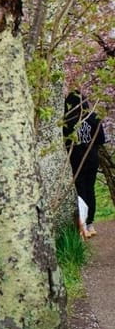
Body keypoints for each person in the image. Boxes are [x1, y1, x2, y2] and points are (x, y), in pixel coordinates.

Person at [64, 91, 107, 237]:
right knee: (90, 190)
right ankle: (90, 225)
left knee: (80, 191)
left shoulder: (66, 121)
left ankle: (83, 225)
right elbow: (101, 139)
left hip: (75, 161)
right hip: (92, 159)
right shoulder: (93, 117)